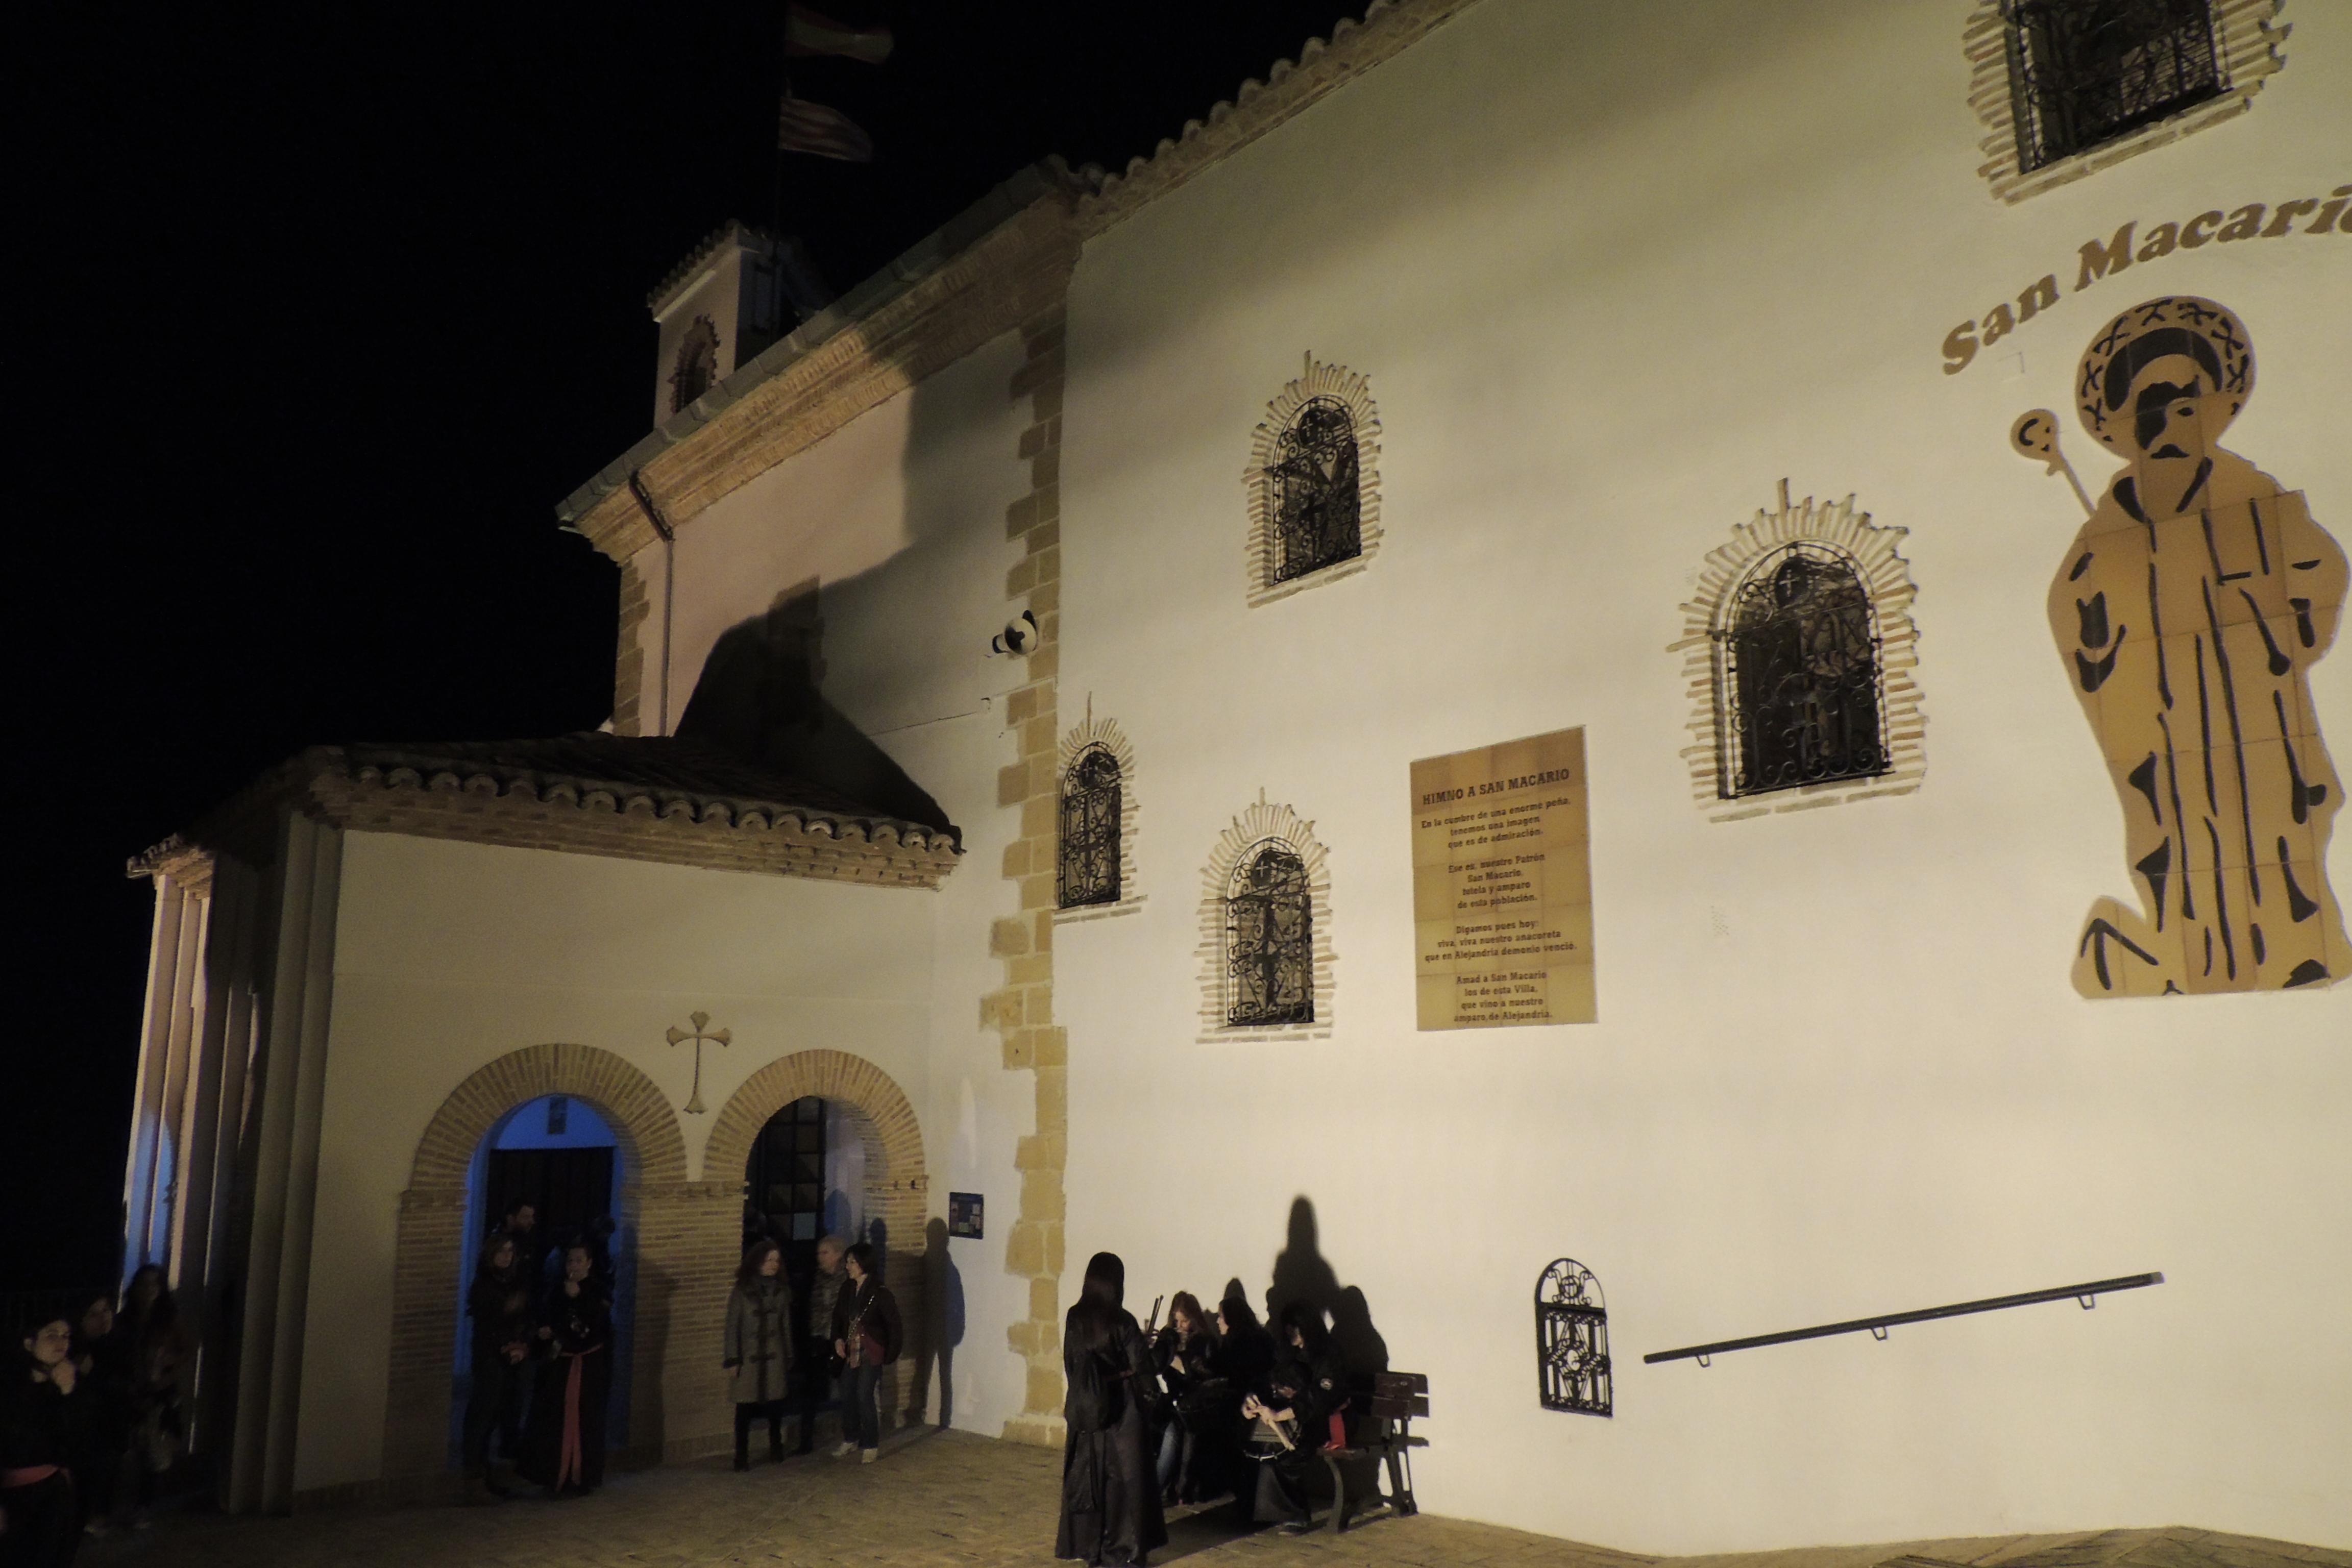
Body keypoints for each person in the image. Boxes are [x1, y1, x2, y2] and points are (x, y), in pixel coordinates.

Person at [2042, 295, 2347, 994]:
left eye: (2186, 402)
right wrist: (2103, 636)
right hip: (2162, 721)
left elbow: (2319, 572)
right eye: (2151, 406)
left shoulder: (2256, 495)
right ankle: (2194, 958)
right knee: (2174, 842)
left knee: (2277, 825)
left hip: (2253, 708)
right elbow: (2070, 610)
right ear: (2128, 423)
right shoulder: (2108, 524)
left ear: (2209, 408)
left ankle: (2297, 948)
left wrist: (2279, 632)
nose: (2171, 420)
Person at [1054, 1253, 1165, 1566]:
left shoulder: (1075, 1317)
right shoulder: (1123, 1320)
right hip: (1123, 1411)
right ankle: (1122, 1550)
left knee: (1090, 1480)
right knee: (1124, 1483)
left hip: (1086, 1407)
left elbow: (1071, 1362)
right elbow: (1144, 1368)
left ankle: (1092, 1547)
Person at [1241, 1302, 1348, 1533]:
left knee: (1285, 1455)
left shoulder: (1328, 1353)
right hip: (1296, 1418)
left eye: (1294, 1328)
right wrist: (1252, 1401)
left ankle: (1297, 1515)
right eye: (1287, 1328)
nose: (1290, 1333)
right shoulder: (1289, 1352)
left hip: (1326, 1422)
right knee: (1255, 1448)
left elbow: (1321, 1398)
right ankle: (1258, 1511)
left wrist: (1281, 1414)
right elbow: (1270, 1380)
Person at [518, 1243, 611, 1498]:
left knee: (583, 1420)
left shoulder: (598, 1290)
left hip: (587, 1367)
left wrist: (576, 1299)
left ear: (589, 1263)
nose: (574, 1266)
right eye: (570, 1261)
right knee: (553, 1419)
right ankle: (553, 1475)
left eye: (579, 1261)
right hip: (559, 1366)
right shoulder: (556, 1290)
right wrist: (545, 1331)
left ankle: (580, 1476)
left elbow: (591, 1328)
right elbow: (548, 1317)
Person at [2, 1317, 83, 1568]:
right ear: (29, 1343)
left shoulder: (70, 1385)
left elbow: (78, 1444)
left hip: (54, 1496)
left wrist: (68, 1393)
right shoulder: (10, 1388)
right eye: (51, 1335)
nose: (61, 1342)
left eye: (66, 1336)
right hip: (15, 1496)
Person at [114, 1266, 189, 1529]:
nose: (149, 1291)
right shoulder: (126, 1321)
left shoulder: (168, 1320)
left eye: (154, 1286)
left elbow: (183, 1352)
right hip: (131, 1392)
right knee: (129, 1447)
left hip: (157, 1393)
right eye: (144, 1285)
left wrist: (165, 1377)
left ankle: (142, 1506)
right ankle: (126, 1505)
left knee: (152, 1452)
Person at [461, 1233, 534, 1502]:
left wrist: (522, 1344)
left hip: (512, 1358)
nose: (506, 1256)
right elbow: (489, 1324)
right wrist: (506, 1345)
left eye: (510, 1251)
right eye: (501, 1251)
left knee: (498, 1416)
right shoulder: (484, 1286)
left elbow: (525, 1314)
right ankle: (473, 1479)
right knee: (481, 1416)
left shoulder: (514, 1282)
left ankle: (489, 1476)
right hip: (490, 1358)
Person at [723, 1239, 794, 1471]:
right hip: (749, 1356)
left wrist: (788, 1355)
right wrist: (733, 1359)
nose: (773, 1265)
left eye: (776, 1260)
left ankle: (776, 1448)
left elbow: (785, 1325)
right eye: (768, 1260)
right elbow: (733, 1326)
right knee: (744, 1410)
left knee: (775, 1408)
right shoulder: (742, 1291)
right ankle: (741, 1456)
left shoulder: (782, 1291)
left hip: (774, 1355)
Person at [828, 1242, 900, 1464]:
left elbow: (894, 1326)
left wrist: (890, 1354)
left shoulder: (880, 1293)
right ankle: (851, 1438)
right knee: (847, 1393)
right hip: (851, 1350)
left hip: (871, 1350)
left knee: (864, 1395)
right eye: (847, 1262)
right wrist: (838, 1340)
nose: (848, 1267)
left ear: (864, 1264)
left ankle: (870, 1443)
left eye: (852, 1262)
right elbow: (838, 1319)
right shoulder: (847, 1289)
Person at [64, 1295, 129, 1535]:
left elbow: (125, 1384)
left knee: (105, 1471)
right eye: (94, 1313)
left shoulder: (119, 1343)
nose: (104, 1317)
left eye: (107, 1310)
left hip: (110, 1424)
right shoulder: (72, 1349)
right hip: (83, 1429)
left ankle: (98, 1514)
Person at [1149, 1292, 1215, 1506]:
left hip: (1194, 1408)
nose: (1180, 1326)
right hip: (1171, 1404)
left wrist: (1177, 1359)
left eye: (1185, 1321)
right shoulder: (1169, 1340)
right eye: (1176, 1321)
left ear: (1193, 1320)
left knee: (1174, 1435)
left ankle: (1156, 1492)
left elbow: (1205, 1375)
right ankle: (1151, 1488)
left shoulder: (1204, 1342)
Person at [798, 1234, 846, 1454]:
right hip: (818, 1338)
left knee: (847, 1387)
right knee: (810, 1390)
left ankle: (849, 1434)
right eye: (819, 1253)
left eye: (825, 1253)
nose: (820, 1257)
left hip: (840, 1340)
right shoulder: (814, 1278)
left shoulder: (848, 1280)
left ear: (838, 1254)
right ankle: (805, 1440)